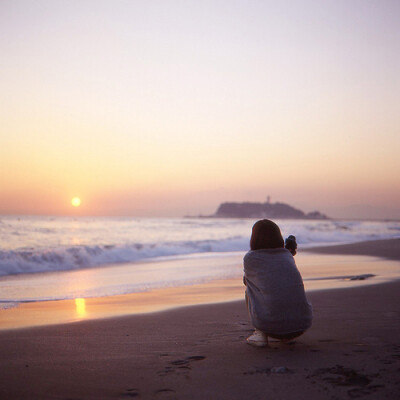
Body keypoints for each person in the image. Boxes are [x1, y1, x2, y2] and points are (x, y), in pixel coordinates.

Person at [243, 219, 312, 347]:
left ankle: (260, 333)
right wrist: (289, 252)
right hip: (302, 325)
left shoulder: (250, 258)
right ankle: (284, 333)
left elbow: (246, 281)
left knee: (249, 289)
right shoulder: (286, 255)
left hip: (271, 327)